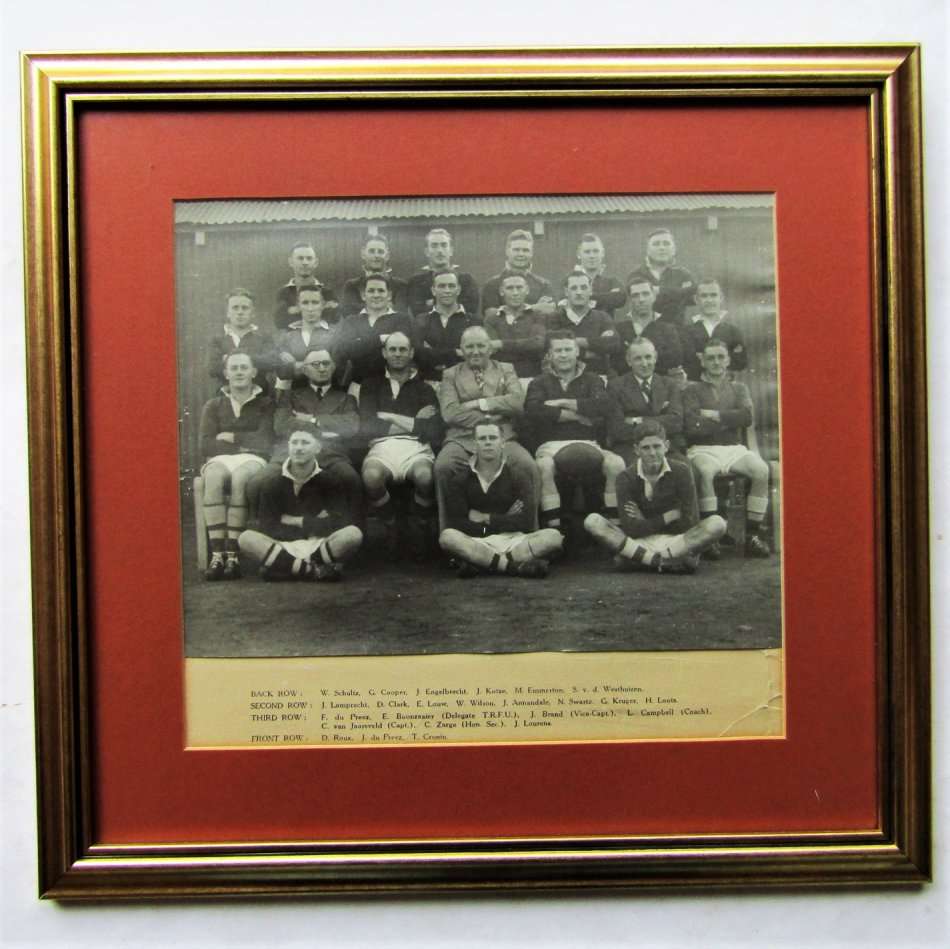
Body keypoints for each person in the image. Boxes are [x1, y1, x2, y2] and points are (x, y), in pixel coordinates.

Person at [584, 419, 726, 573]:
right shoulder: (625, 477)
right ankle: (666, 561)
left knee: (717, 523)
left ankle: (643, 560)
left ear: (666, 446)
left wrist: (644, 520)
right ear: (636, 450)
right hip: (639, 542)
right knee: (593, 521)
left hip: (677, 542)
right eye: (646, 448)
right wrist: (668, 516)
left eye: (657, 446)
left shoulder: (682, 471)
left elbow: (689, 522)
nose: (652, 453)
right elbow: (630, 529)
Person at [434, 325, 540, 528]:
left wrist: (478, 404)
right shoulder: (450, 374)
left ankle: (531, 533)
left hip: (503, 437)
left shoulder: (505, 369)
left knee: (528, 466)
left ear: (490, 348)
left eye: (481, 346)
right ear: (461, 349)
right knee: (443, 467)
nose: (475, 351)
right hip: (462, 438)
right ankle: (449, 535)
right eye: (470, 346)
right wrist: (495, 413)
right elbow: (450, 412)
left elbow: (517, 402)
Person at [524, 331, 625, 531]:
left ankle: (614, 529)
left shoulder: (593, 379)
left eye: (568, 349)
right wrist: (578, 416)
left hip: (589, 443)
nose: (563, 355)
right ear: (550, 354)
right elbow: (534, 411)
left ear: (577, 351)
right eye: (558, 350)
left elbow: (603, 406)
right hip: (551, 446)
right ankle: (555, 530)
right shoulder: (539, 382)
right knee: (543, 467)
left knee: (616, 463)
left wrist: (562, 402)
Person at [238, 422, 363, 581]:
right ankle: (313, 570)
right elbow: (268, 527)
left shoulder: (330, 481)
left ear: (317, 448)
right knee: (246, 538)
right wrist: (315, 523)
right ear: (288, 447)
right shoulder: (272, 483)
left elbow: (338, 523)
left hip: (318, 544)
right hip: (282, 545)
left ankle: (286, 568)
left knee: (353, 534)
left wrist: (296, 521)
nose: (298, 448)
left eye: (305, 443)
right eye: (294, 442)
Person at [682, 338, 771, 557]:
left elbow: (747, 417)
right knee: (704, 472)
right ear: (703, 361)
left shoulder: (739, 388)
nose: (716, 362)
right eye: (710, 358)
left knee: (761, 470)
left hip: (733, 448)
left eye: (721, 357)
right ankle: (711, 539)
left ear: (728, 360)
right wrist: (730, 419)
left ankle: (752, 535)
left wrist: (715, 415)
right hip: (703, 449)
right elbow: (693, 424)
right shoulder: (692, 389)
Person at [439, 422, 562, 578]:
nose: (488, 442)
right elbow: (458, 523)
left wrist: (486, 518)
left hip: (513, 540)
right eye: (483, 438)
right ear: (474, 444)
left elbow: (525, 522)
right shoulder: (460, 479)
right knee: (448, 537)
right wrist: (503, 520)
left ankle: (483, 564)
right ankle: (513, 567)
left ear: (502, 443)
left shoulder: (518, 476)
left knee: (553, 537)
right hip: (478, 540)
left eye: (493, 438)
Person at [359, 332, 443, 555]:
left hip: (415, 446)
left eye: (403, 349)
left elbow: (433, 429)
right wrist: (415, 421)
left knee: (425, 477)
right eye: (393, 349)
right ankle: (391, 524)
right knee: (371, 477)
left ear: (411, 353)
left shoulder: (424, 388)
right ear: (384, 353)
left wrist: (389, 416)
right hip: (381, 446)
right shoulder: (370, 385)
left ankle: (420, 524)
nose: (398, 354)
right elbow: (367, 425)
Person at [198, 350, 274, 580]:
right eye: (234, 368)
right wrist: (244, 443)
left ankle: (233, 555)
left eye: (244, 367)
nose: (239, 372)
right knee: (212, 477)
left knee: (241, 477)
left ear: (254, 372)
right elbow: (206, 445)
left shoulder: (266, 403)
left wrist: (233, 438)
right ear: (226, 374)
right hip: (222, 459)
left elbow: (265, 441)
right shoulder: (213, 404)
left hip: (253, 459)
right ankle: (217, 555)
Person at [606, 338, 685, 465]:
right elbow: (617, 428)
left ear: (655, 358)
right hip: (631, 448)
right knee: (637, 470)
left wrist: (638, 420)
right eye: (638, 359)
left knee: (686, 469)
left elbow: (676, 422)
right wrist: (660, 419)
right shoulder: (616, 386)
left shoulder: (669, 384)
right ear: (629, 361)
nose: (644, 363)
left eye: (648, 357)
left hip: (665, 448)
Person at [333, 274, 416, 384]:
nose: (376, 295)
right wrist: (381, 339)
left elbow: (399, 350)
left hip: (393, 384)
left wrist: (360, 343)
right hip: (358, 383)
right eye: (371, 291)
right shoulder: (351, 321)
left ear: (389, 295)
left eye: (381, 291)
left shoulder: (402, 319)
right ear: (363, 295)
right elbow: (344, 351)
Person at [545, 271, 621, 376]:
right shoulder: (554, 318)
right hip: (564, 379)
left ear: (590, 290)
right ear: (566, 292)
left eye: (583, 287)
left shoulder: (602, 317)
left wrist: (580, 341)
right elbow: (551, 348)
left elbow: (613, 344)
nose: (579, 292)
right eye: (574, 288)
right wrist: (588, 352)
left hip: (598, 375)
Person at [206, 288, 279, 393]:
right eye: (235, 308)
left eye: (245, 308)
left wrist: (229, 358)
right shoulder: (217, 339)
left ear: (253, 312)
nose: (240, 312)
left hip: (260, 398)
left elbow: (272, 362)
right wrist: (254, 359)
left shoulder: (264, 337)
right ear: (228, 312)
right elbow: (213, 369)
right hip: (226, 397)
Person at [613, 276, 686, 380]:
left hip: (661, 385)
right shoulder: (620, 329)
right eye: (635, 295)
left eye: (645, 294)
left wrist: (635, 358)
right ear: (630, 300)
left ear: (654, 296)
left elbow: (675, 359)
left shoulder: (667, 328)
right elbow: (617, 363)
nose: (641, 299)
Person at [414, 269, 481, 380]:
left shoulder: (473, 321)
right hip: (430, 380)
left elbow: (475, 355)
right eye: (441, 286)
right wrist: (456, 352)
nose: (447, 290)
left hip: (465, 381)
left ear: (458, 290)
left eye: (451, 286)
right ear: (433, 291)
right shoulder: (421, 320)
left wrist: (434, 353)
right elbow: (419, 354)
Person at [625, 228, 696, 329]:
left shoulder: (683, 274)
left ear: (674, 249)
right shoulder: (636, 275)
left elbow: (691, 294)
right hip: (645, 334)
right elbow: (637, 303)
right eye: (656, 244)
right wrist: (676, 294)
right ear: (647, 250)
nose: (661, 248)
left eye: (666, 243)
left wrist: (659, 290)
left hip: (677, 333)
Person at [482, 272, 547, 379]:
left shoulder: (537, 316)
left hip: (531, 376)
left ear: (527, 290)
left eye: (519, 288)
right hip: (501, 378)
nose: (515, 293)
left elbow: (537, 343)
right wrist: (525, 344)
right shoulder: (492, 319)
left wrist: (502, 343)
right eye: (510, 288)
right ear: (501, 292)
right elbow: (492, 349)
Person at [480, 229, 556, 320]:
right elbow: (490, 316)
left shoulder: (543, 285)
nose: (521, 254)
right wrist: (534, 308)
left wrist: (506, 310)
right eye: (516, 250)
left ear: (531, 253)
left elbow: (549, 311)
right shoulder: (492, 284)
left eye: (525, 250)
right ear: (507, 251)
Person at [682, 278, 747, 380]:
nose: (709, 300)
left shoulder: (733, 331)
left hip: (725, 387)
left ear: (721, 298)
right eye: (704, 296)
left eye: (713, 295)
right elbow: (687, 364)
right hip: (696, 387)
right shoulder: (685, 332)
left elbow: (741, 363)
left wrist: (702, 357)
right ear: (696, 299)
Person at [274, 284, 340, 383]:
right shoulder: (287, 337)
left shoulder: (335, 334)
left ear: (323, 305)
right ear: (298, 306)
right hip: (295, 394)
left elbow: (337, 369)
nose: (310, 308)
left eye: (315, 302)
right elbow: (282, 373)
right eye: (305, 303)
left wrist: (295, 365)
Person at [406, 228, 479, 317]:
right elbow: (418, 312)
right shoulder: (416, 282)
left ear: (451, 250)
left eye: (444, 245)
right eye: (434, 246)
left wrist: (431, 303)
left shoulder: (466, 280)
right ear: (427, 252)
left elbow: (470, 309)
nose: (439, 250)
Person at [272, 241, 338, 331]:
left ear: (316, 262)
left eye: (309, 258)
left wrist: (295, 311)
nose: (305, 262)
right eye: (300, 258)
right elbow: (281, 322)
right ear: (291, 262)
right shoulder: (283, 293)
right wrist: (321, 309)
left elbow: (333, 320)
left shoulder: (327, 292)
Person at [340, 234, 409, 316]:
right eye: (372, 251)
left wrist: (364, 307)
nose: (376, 255)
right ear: (363, 254)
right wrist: (385, 306)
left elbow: (400, 314)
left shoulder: (400, 285)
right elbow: (349, 314)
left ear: (387, 256)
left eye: (380, 252)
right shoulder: (352, 285)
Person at [573, 232, 627, 317]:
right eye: (587, 252)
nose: (592, 256)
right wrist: (607, 296)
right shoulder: (569, 280)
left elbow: (620, 299)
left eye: (596, 251)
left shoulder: (612, 280)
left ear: (603, 253)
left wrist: (585, 297)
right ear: (578, 254)